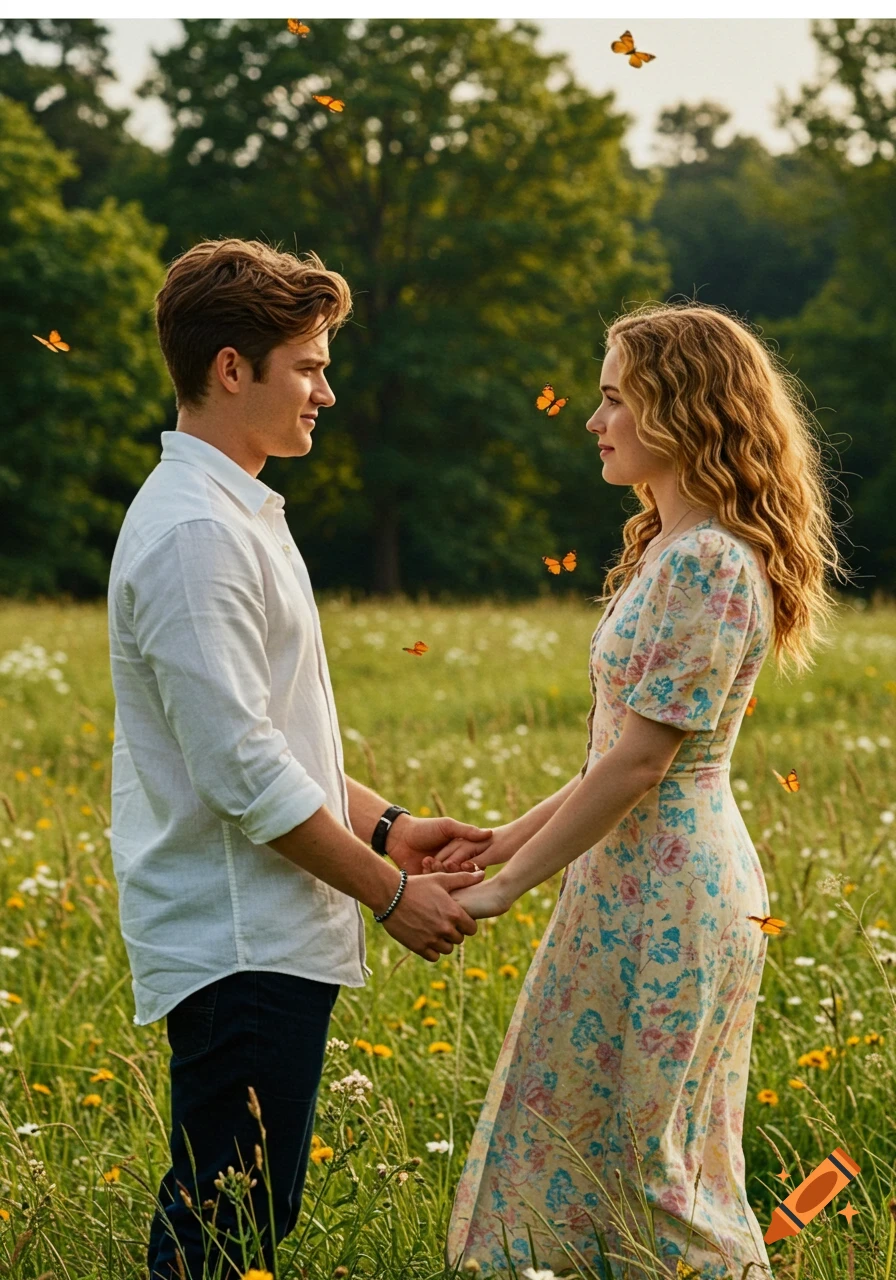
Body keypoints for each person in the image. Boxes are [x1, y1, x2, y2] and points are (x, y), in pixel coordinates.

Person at [428, 303, 848, 1279]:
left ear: (680, 408)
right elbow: (608, 756)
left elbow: (641, 763)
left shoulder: (708, 563)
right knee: (588, 1147)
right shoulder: (669, 548)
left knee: (658, 1170)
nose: (592, 417)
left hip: (669, 892)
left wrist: (503, 885)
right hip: (625, 881)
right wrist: (498, 838)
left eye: (613, 396)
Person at [106, 237, 492, 1280]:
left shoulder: (238, 512)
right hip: (238, 936)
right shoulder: (195, 533)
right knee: (222, 1227)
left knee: (245, 1211)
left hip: (268, 928)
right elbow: (239, 772)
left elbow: (274, 739)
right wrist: (389, 888)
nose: (326, 387)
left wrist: (387, 823)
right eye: (308, 364)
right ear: (232, 368)